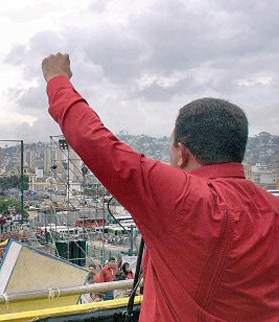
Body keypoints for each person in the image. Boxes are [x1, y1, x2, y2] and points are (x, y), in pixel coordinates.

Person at [41, 53, 279, 321]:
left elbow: (95, 141)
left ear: (182, 153)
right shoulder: (273, 209)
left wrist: (57, 80)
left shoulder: (182, 197)